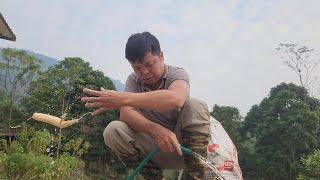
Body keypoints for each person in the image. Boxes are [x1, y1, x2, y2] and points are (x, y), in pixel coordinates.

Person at [81, 32, 211, 180]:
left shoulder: (177, 74)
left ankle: (194, 177)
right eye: (137, 68)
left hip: (183, 149)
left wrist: (123, 98)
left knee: (196, 105)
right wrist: (156, 130)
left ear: (161, 56)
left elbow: (176, 99)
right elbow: (126, 114)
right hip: (152, 153)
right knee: (113, 130)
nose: (144, 72)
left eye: (149, 64)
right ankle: (152, 177)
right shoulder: (133, 81)